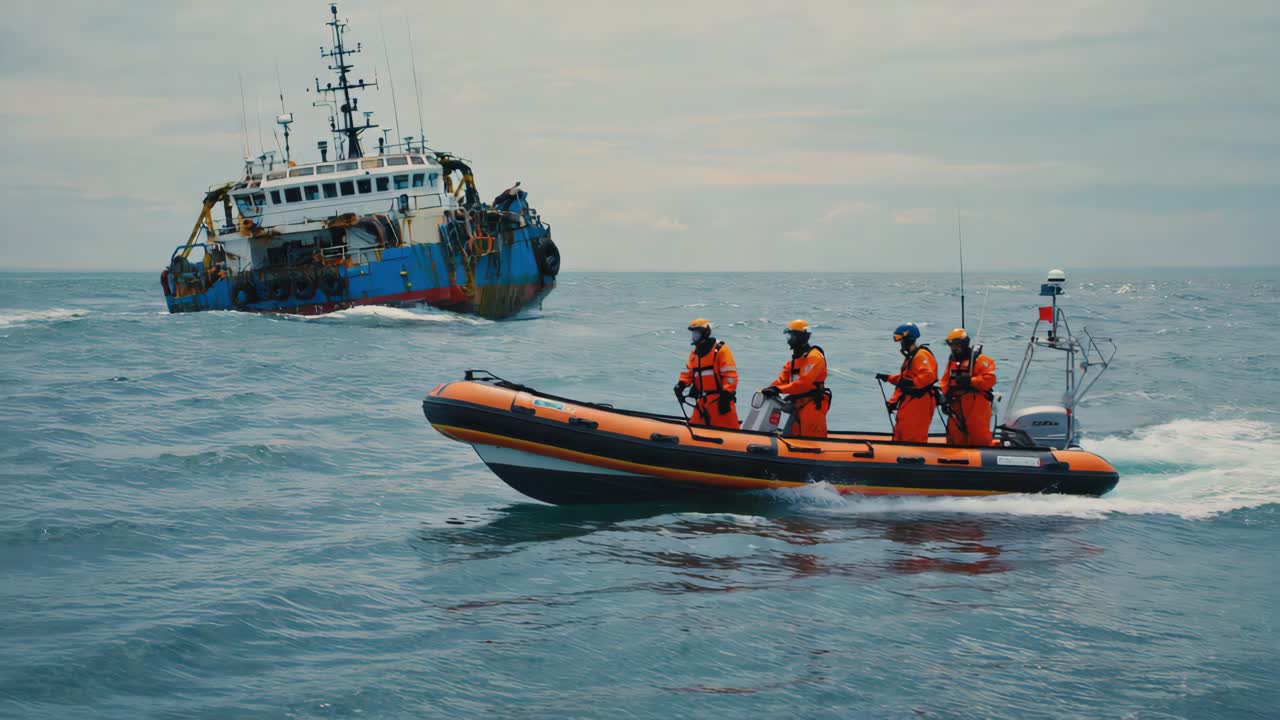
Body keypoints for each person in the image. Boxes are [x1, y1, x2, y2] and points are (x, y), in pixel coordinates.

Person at [761, 320, 830, 437]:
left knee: (811, 440)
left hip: (812, 405)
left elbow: (803, 384)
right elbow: (781, 380)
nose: (789, 340)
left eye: (792, 336)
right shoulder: (795, 361)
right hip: (797, 406)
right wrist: (768, 389)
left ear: (800, 337)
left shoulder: (814, 357)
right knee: (794, 436)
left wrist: (778, 390)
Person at [876, 322, 938, 443]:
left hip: (919, 402)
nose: (901, 344)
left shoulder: (921, 355)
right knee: (902, 432)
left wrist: (912, 383)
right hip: (910, 401)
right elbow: (905, 379)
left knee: (912, 434)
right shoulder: (912, 357)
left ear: (908, 339)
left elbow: (928, 376)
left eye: (901, 340)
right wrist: (888, 378)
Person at [675, 318, 740, 429]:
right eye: (693, 333)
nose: (694, 337)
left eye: (696, 333)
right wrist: (681, 385)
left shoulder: (721, 350)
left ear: (704, 333)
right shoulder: (695, 353)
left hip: (720, 401)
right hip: (702, 402)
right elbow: (689, 373)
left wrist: (726, 395)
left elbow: (730, 376)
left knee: (729, 431)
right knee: (694, 427)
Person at [939, 328, 997, 446]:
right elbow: (945, 380)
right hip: (956, 402)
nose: (953, 348)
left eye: (956, 345)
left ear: (964, 344)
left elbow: (990, 380)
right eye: (951, 346)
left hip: (976, 402)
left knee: (978, 434)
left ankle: (983, 457)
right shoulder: (953, 361)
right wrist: (945, 396)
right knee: (954, 434)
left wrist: (970, 381)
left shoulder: (981, 360)